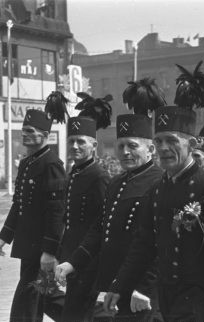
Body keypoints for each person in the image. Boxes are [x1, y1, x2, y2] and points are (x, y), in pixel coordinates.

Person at [103, 61, 204, 322]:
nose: (164, 148)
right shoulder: (157, 190)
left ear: (191, 143)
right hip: (168, 298)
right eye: (159, 141)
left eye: (172, 141)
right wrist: (119, 286)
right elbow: (143, 246)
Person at [55, 78, 165, 321]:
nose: (125, 152)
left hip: (141, 288)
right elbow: (98, 230)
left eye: (132, 146)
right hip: (113, 282)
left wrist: (145, 288)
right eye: (121, 145)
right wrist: (72, 263)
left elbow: (160, 243)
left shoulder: (160, 183)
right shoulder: (117, 182)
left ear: (151, 150)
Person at [0, 92, 68, 322]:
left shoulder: (52, 164)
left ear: (45, 135)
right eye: (23, 132)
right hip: (29, 245)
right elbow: (19, 204)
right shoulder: (27, 162)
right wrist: (3, 237)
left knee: (29, 299)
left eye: (30, 132)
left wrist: (50, 251)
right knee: (41, 298)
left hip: (41, 248)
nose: (25, 136)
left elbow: (57, 212)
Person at [57, 95, 112, 322]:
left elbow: (101, 224)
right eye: (71, 141)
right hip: (71, 254)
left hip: (89, 260)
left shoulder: (98, 176)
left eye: (81, 142)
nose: (75, 146)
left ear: (94, 145)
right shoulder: (74, 173)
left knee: (77, 313)